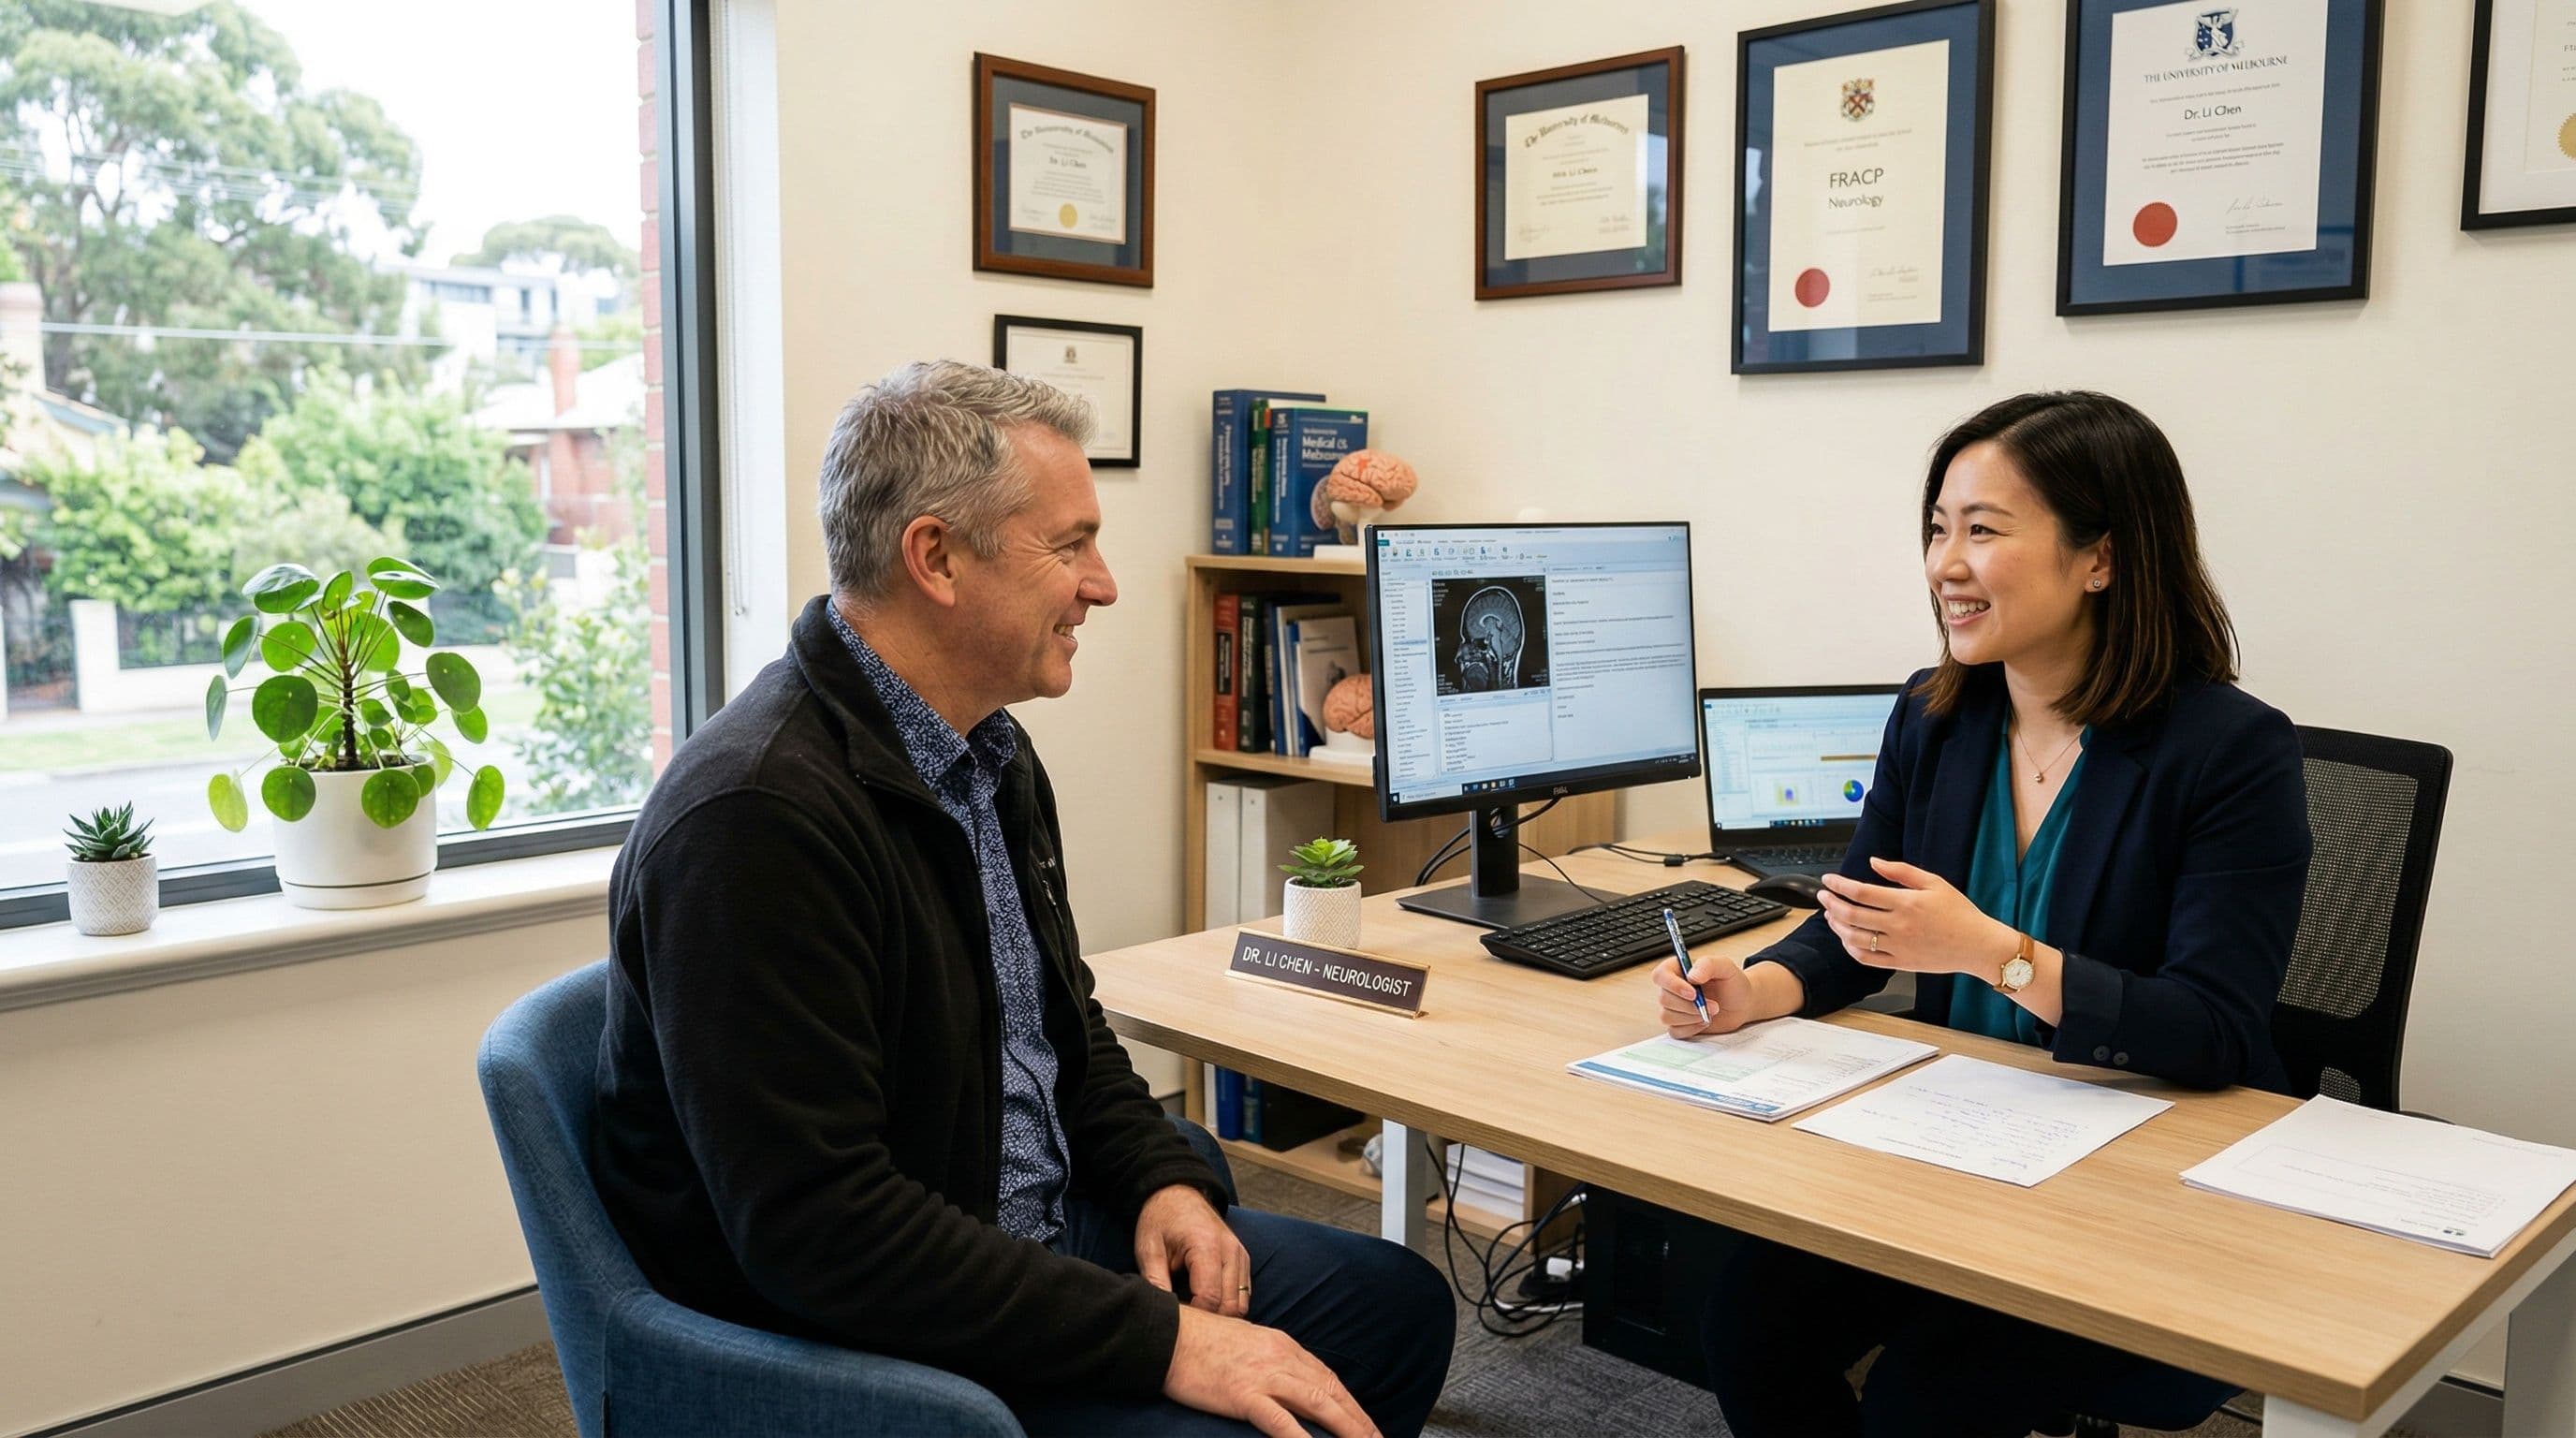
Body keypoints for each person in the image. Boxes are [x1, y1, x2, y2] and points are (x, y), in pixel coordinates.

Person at [595, 360, 1453, 1438]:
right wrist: (1169, 1341)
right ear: (936, 558)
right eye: (1069, 544)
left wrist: (1164, 1180)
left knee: (1398, 1309)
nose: (1102, 584)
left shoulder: (985, 751)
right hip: (868, 1326)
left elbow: (1061, 1030)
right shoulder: (754, 819)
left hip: (1025, 1232)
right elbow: (822, 1233)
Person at [1649, 390, 2309, 1438]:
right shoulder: (1935, 714)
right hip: (1965, 1148)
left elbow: (2216, 1031)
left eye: (1983, 531)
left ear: (2100, 556)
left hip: (2136, 1175)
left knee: (1931, 1397)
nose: (1943, 565)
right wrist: (1752, 990)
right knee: (1747, 1320)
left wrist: (1997, 957)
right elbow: (1855, 923)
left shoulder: (2230, 753)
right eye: (1936, 529)